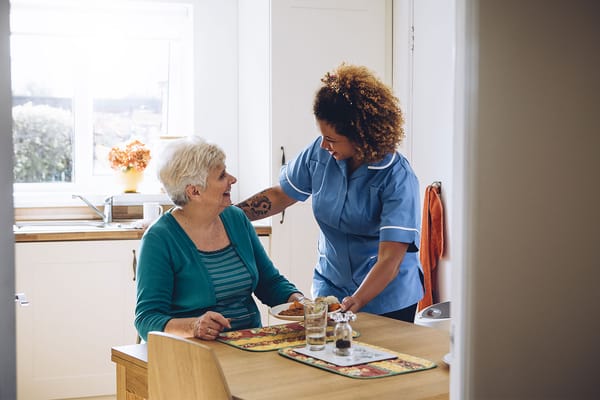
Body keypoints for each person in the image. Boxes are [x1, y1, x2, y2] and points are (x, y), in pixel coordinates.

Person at [237, 64, 423, 322]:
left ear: (360, 136)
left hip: (386, 298)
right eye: (322, 136)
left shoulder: (397, 177)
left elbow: (390, 259)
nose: (324, 144)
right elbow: (281, 195)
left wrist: (356, 301)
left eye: (332, 139)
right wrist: (230, 215)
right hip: (331, 288)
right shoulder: (320, 152)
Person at [135, 137, 304, 341]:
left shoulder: (235, 218)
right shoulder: (160, 238)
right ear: (194, 191)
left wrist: (300, 302)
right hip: (193, 352)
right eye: (222, 175)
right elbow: (147, 319)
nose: (232, 179)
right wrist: (194, 326)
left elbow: (269, 283)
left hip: (249, 344)